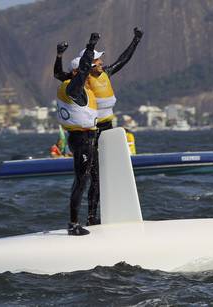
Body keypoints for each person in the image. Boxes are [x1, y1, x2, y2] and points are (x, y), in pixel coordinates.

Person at [54, 27, 143, 225]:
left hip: (106, 128)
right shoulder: (79, 82)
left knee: (100, 176)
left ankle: (95, 216)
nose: (101, 63)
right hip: (90, 132)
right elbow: (60, 73)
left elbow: (123, 60)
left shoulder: (104, 73)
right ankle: (83, 219)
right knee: (90, 176)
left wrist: (135, 40)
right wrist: (61, 55)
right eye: (96, 61)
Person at [56, 32, 100, 235]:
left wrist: (58, 56)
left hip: (88, 139)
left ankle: (91, 217)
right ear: (76, 73)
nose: (89, 73)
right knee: (81, 180)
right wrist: (90, 47)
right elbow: (81, 71)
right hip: (81, 140)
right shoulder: (72, 89)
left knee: (91, 178)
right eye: (87, 70)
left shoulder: (76, 86)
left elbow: (59, 73)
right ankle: (73, 224)